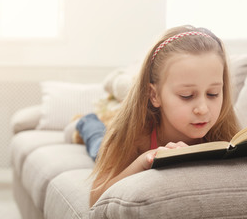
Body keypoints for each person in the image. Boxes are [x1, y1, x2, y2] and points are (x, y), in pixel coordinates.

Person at [89, 25, 239, 206]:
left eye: (213, 94)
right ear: (155, 95)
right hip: (108, 129)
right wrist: (144, 160)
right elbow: (94, 201)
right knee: (95, 138)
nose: (203, 109)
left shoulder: (224, 133)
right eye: (187, 96)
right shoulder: (137, 135)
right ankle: (85, 122)